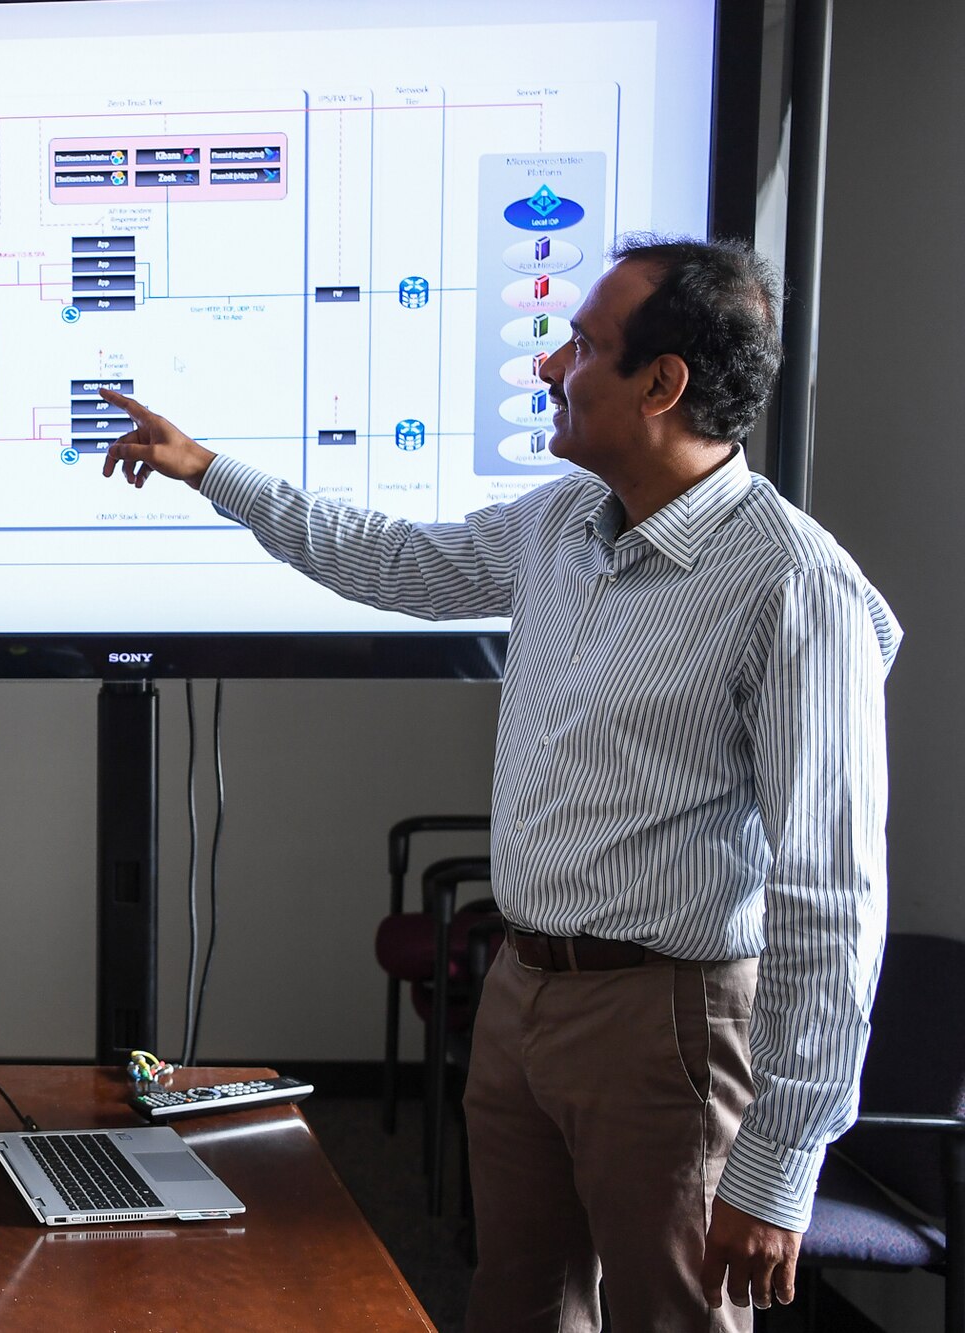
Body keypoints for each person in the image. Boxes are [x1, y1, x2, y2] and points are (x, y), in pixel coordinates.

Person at [100, 236, 897, 1330]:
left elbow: (831, 897)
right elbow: (388, 559)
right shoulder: (561, 521)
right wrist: (210, 472)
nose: (546, 368)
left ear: (660, 384)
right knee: (517, 1300)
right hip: (520, 988)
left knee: (671, 1314)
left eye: (582, 345)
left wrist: (779, 1164)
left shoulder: (793, 587)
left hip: (665, 1016)